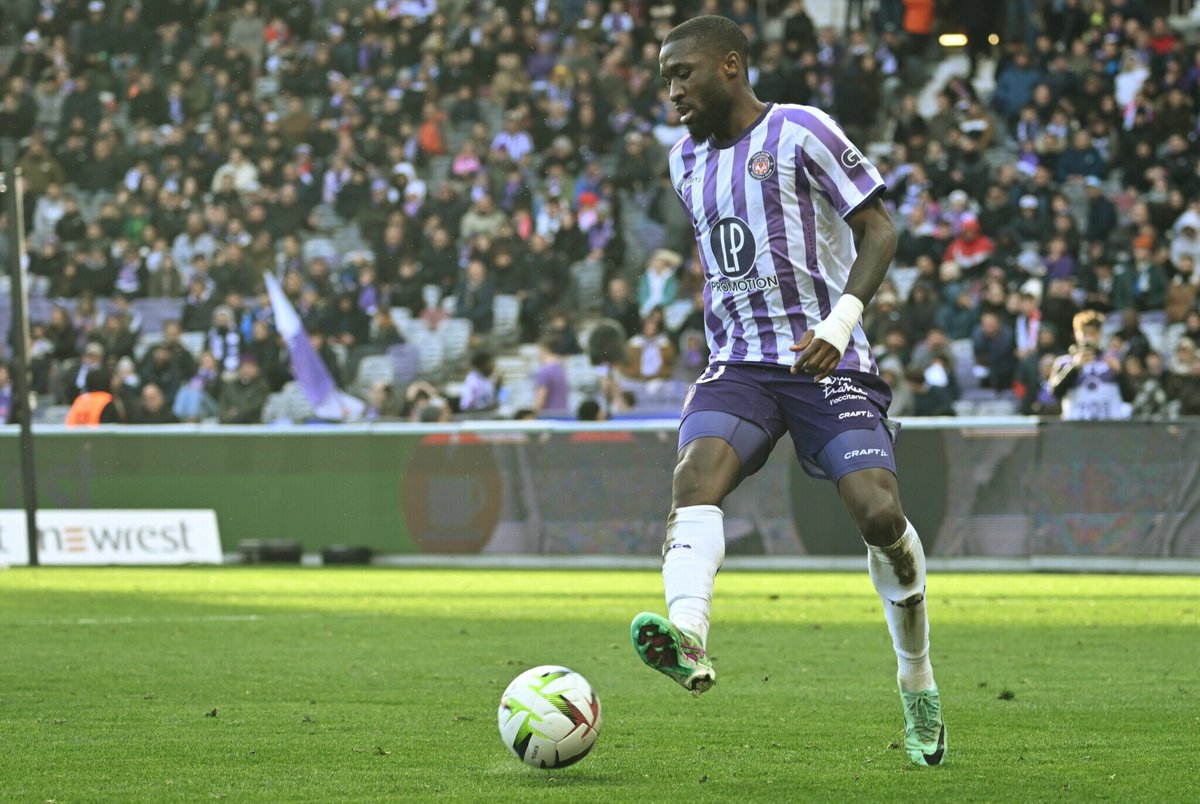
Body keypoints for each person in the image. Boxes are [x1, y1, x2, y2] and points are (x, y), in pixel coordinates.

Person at [630, 16, 945, 768]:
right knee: (693, 481)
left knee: (879, 514)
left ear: (730, 67)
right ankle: (688, 635)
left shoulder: (801, 131)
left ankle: (917, 677)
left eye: (684, 74)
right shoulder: (685, 162)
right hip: (739, 365)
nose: (671, 91)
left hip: (823, 359)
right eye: (665, 78)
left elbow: (880, 230)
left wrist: (841, 321)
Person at [1047, 310, 1130, 420]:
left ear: (1100, 334)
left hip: (1109, 426)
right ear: (1076, 333)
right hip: (1076, 427)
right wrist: (1074, 368)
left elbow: (1130, 396)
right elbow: (1054, 393)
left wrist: (1120, 373)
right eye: (1085, 332)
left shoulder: (1114, 359)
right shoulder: (1064, 362)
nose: (1089, 337)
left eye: (1093, 333)